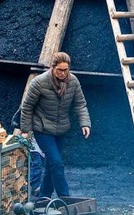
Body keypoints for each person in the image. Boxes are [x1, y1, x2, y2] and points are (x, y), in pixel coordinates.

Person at [20, 52, 91, 199]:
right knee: (57, 163)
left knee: (51, 165)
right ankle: (65, 198)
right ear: (52, 68)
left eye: (65, 70)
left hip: (61, 129)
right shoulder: (39, 82)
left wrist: (85, 123)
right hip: (42, 129)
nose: (63, 73)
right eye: (59, 70)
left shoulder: (73, 82)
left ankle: (43, 198)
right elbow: (27, 107)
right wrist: (25, 130)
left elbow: (80, 104)